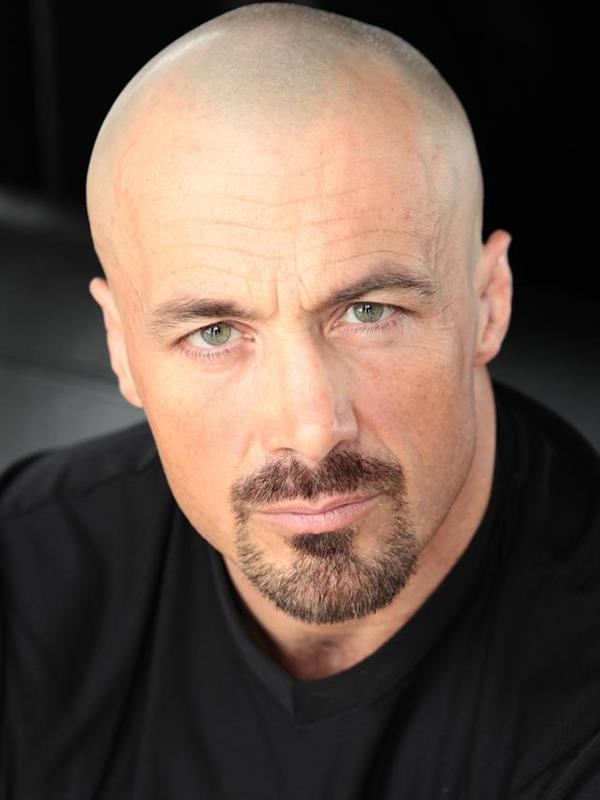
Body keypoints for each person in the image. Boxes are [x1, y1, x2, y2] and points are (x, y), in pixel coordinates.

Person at [1, 3, 599, 798]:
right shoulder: (30, 570)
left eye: (369, 312)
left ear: (489, 302)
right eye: (216, 332)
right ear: (121, 348)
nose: (311, 428)